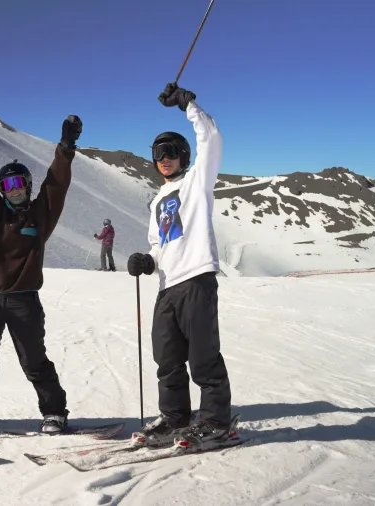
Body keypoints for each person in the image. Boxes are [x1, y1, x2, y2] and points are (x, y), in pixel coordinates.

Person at [0, 108, 82, 434]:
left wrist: (65, 148)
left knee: (34, 360)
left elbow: (56, 186)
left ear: (27, 186)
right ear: (2, 189)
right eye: (7, 184)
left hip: (24, 301)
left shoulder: (40, 217)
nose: (13, 190)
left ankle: (54, 411)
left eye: (19, 183)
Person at [126, 83, 235, 449]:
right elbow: (160, 243)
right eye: (158, 152)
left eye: (171, 151)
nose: (164, 158)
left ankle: (216, 422)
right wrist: (148, 259)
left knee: (203, 358)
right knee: (168, 360)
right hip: (167, 286)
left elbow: (212, 139)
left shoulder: (196, 182)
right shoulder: (158, 199)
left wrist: (189, 106)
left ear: (184, 155)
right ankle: (175, 418)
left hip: (197, 279)